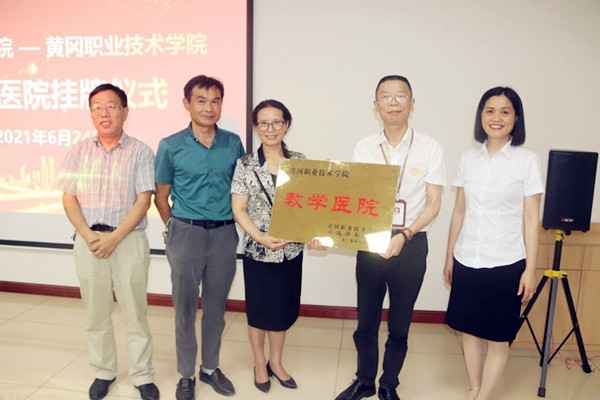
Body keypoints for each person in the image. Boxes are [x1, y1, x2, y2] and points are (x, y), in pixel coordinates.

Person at [336, 75, 446, 400]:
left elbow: (434, 203)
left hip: (411, 243)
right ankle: (364, 381)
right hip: (371, 240)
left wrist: (405, 233)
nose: (394, 102)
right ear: (376, 105)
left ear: (412, 104)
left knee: (399, 323)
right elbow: (354, 197)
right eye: (386, 96)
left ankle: (389, 384)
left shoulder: (430, 148)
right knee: (366, 320)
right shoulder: (364, 147)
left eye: (401, 96)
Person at [55, 84, 159, 400]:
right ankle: (103, 372)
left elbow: (144, 200)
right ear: (91, 113)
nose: (104, 112)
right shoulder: (78, 150)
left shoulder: (141, 151)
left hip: (128, 240)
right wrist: (89, 235)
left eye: (111, 106)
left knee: (135, 313)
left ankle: (142, 375)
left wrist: (114, 237)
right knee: (96, 313)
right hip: (89, 241)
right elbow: (69, 197)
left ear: (125, 112)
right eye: (97, 107)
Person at [443, 87, 544, 400]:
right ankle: (475, 387)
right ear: (481, 116)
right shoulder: (468, 159)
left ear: (516, 118)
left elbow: (531, 220)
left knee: (499, 338)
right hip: (467, 257)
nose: (496, 117)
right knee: (469, 331)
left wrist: (530, 269)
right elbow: (459, 211)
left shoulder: (527, 161)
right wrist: (449, 257)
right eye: (490, 110)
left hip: (506, 263)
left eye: (505, 111)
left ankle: (484, 396)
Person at [154, 75, 245, 400]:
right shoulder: (170, 145)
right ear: (187, 104)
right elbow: (160, 197)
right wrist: (176, 229)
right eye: (201, 100)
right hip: (185, 234)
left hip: (223, 234)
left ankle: (210, 368)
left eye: (215, 100)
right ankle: (186, 375)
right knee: (184, 310)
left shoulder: (233, 143)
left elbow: (242, 190)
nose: (209, 107)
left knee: (216, 309)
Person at [230, 99, 323, 393]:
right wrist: (261, 238)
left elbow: (310, 206)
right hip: (259, 252)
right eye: (264, 123)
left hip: (291, 251)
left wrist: (316, 233)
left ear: (286, 125)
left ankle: (277, 362)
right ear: (256, 127)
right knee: (259, 311)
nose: (270, 129)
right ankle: (260, 362)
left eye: (277, 122)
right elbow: (238, 209)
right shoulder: (245, 164)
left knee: (282, 310)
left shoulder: (300, 161)